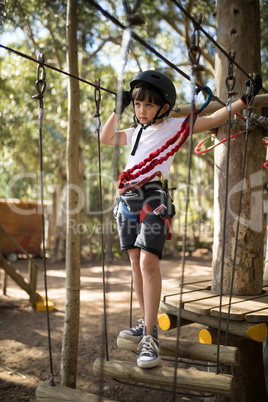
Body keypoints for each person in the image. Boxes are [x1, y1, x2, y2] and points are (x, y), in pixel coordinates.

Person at [100, 70, 262, 369]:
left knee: (149, 262)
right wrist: (116, 108)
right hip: (126, 201)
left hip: (153, 198)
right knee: (136, 264)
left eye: (148, 105)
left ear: (163, 107)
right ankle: (145, 323)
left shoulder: (175, 126)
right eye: (137, 104)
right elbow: (106, 138)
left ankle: (150, 337)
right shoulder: (135, 132)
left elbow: (214, 119)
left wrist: (244, 100)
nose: (141, 110)